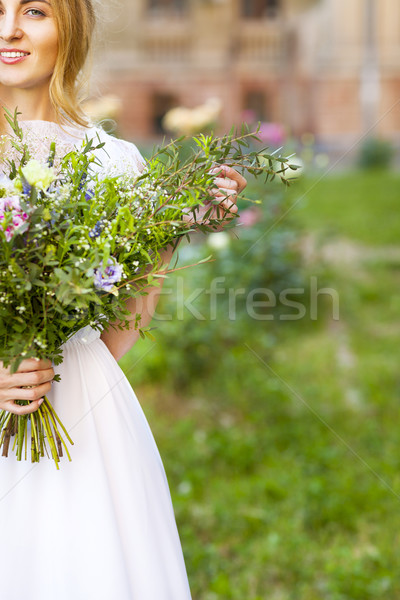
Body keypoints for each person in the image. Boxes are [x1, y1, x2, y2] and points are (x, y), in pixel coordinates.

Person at [0, 1, 247, 599]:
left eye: (33, 10)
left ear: (71, 25)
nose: (8, 28)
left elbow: (123, 319)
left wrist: (172, 226)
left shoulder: (114, 161)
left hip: (83, 409)